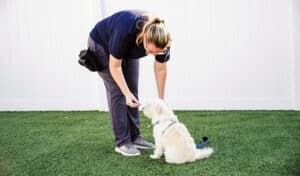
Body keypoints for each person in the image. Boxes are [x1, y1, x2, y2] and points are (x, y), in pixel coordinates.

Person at [88, 10, 171, 156]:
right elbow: (115, 66)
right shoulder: (125, 30)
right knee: (119, 92)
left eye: (156, 53)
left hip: (128, 47)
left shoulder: (163, 41)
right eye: (150, 51)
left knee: (132, 90)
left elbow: (160, 70)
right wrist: (126, 93)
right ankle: (122, 142)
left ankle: (135, 137)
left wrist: (161, 100)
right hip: (101, 44)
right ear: (144, 38)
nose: (153, 55)